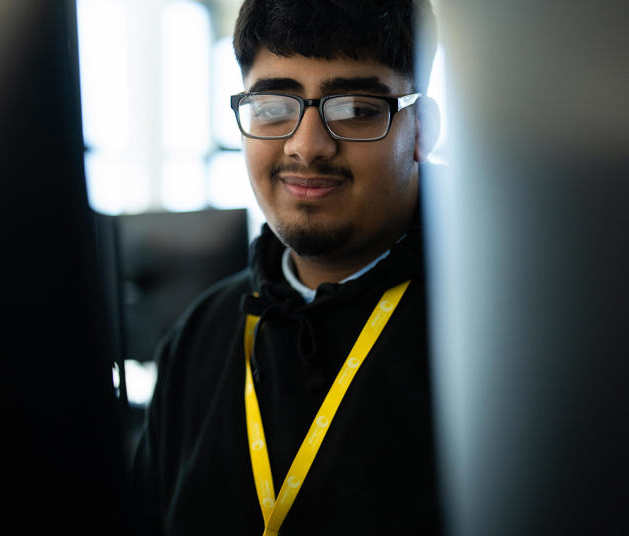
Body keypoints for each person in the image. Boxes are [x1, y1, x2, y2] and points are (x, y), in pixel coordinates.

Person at [130, 0, 442, 534]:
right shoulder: (202, 333)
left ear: (421, 130)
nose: (306, 146)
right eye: (274, 105)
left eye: (356, 108)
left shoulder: (497, 337)